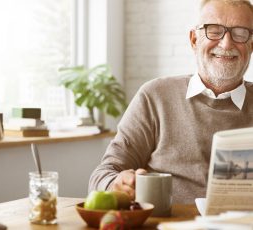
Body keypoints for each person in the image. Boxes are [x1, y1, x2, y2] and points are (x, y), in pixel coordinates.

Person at [88, 0, 253, 204]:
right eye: (214, 30)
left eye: (240, 33)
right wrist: (116, 183)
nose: (226, 43)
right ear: (194, 39)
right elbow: (103, 174)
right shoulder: (155, 96)